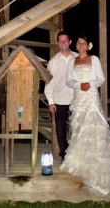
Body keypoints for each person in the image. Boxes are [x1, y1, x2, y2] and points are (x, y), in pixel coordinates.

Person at [60, 34, 110, 196]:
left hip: (91, 96)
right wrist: (78, 85)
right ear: (75, 46)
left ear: (88, 45)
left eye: (83, 43)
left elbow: (101, 78)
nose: (81, 45)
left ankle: (97, 161)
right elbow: (68, 80)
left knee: (94, 126)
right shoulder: (72, 62)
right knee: (80, 127)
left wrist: (89, 84)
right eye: (78, 43)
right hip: (79, 97)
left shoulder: (94, 59)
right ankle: (82, 163)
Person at [44, 31, 78, 161]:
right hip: (59, 100)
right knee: (60, 129)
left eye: (65, 40)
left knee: (77, 127)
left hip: (77, 99)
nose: (63, 43)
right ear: (57, 43)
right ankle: (64, 153)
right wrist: (51, 101)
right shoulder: (53, 62)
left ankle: (76, 153)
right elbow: (49, 83)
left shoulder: (77, 58)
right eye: (60, 41)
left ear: (70, 42)